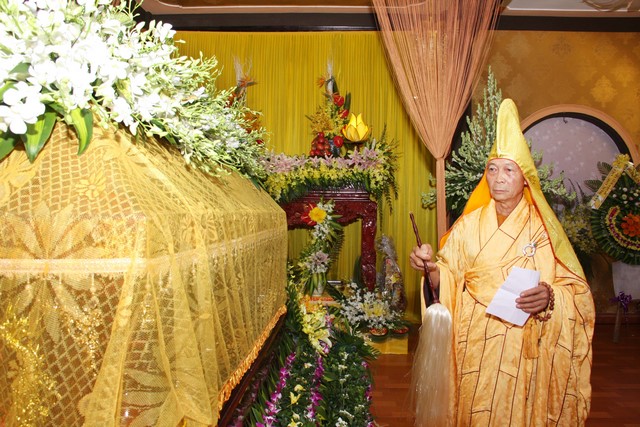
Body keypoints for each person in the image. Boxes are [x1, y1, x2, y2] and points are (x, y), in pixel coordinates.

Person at [410, 99, 595, 426]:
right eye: (492, 169)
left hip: (520, 343)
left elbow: (576, 291)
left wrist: (550, 296)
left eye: (509, 170)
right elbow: (448, 275)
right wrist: (432, 269)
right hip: (472, 339)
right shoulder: (468, 225)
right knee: (473, 408)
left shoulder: (544, 230)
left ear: (525, 179)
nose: (498, 178)